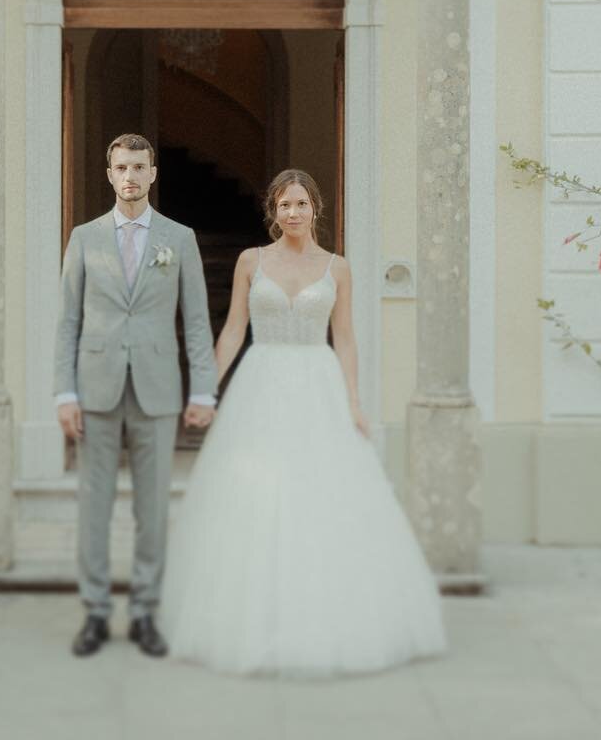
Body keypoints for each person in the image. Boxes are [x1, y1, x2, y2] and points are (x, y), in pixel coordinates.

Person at [158, 168, 447, 677]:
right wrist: (206, 386)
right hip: (260, 381)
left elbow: (347, 338)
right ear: (274, 211)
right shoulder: (252, 261)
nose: (293, 213)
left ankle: (325, 619)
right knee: (255, 501)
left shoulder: (338, 268)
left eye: (301, 204)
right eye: (284, 205)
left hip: (318, 384)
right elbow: (232, 332)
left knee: (322, 498)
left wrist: (354, 401)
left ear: (316, 208)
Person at [53, 132, 218, 659]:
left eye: (139, 167)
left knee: (153, 507)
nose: (130, 176)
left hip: (157, 388)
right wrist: (64, 391)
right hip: (96, 386)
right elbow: (68, 321)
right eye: (121, 167)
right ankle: (96, 612)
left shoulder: (181, 239)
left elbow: (196, 321)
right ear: (109, 174)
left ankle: (146, 610)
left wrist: (206, 390)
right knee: (93, 505)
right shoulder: (83, 238)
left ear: (153, 174)